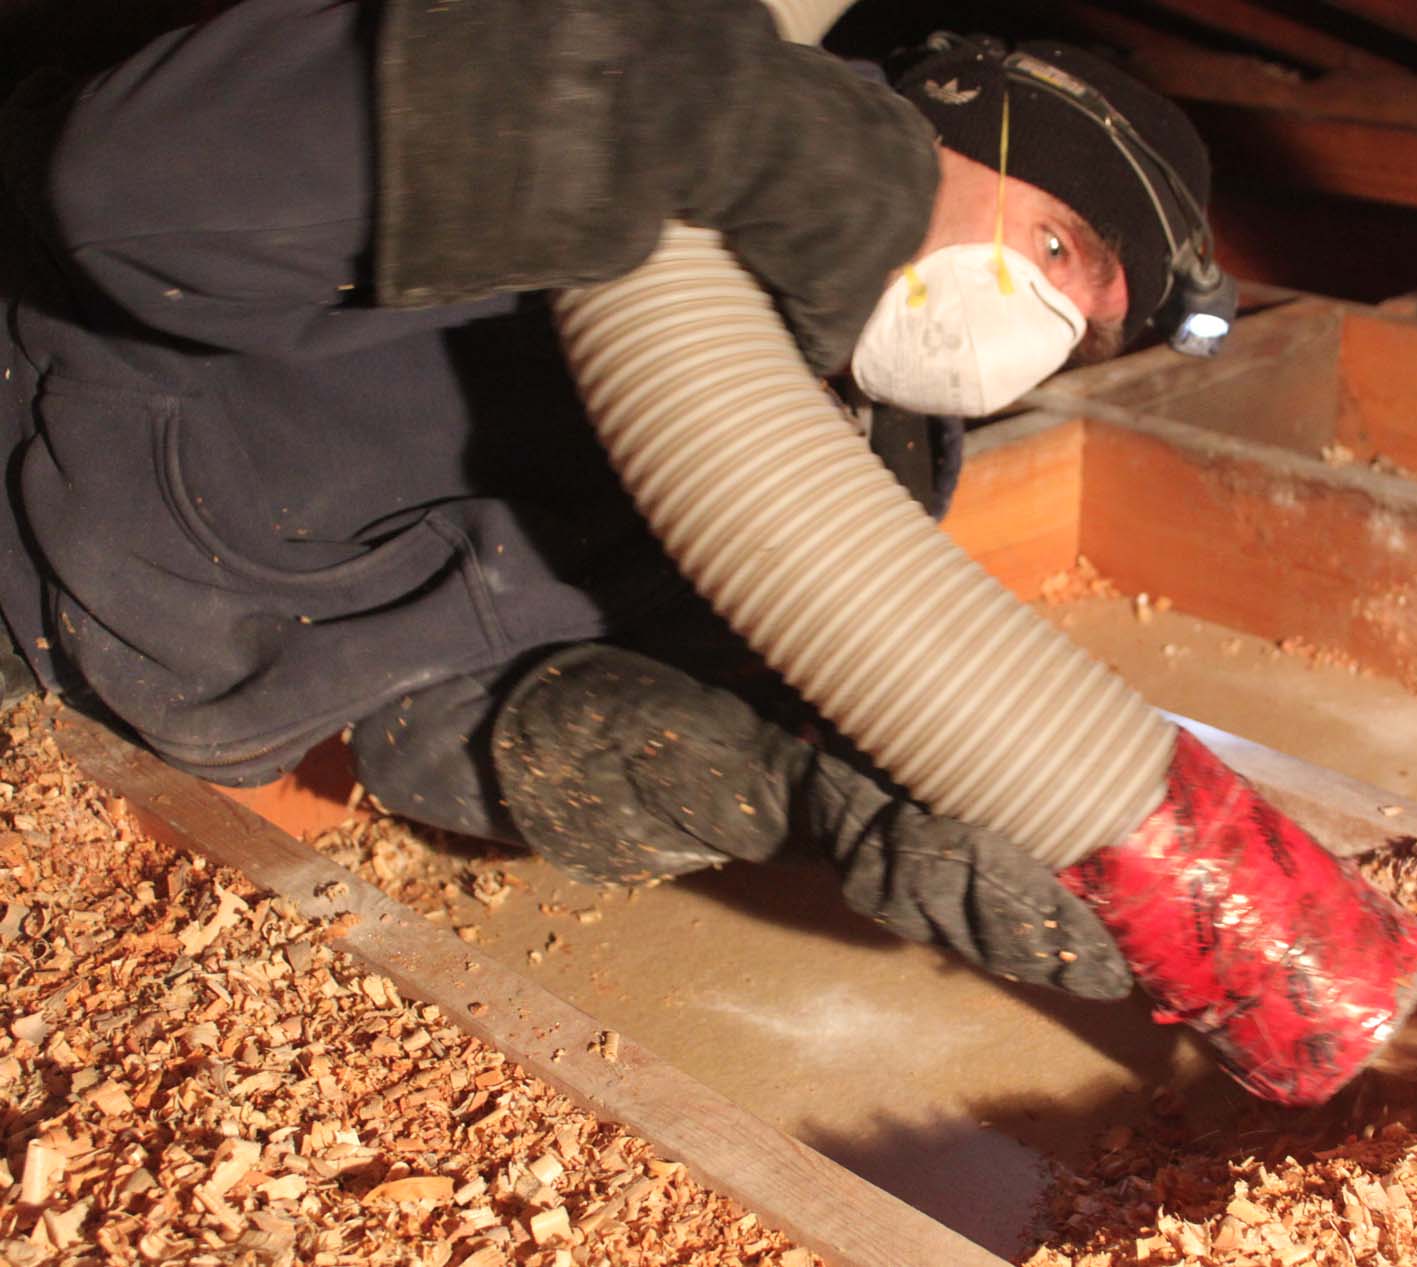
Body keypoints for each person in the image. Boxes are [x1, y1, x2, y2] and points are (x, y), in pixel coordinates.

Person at [0, 0, 1222, 1003]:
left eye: (1084, 329)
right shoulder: (633, 98)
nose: (1040, 325)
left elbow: (420, 727)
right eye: (1057, 250)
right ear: (941, 125)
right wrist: (724, 127)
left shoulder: (863, 480)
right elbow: (125, 191)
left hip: (80, 694)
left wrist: (774, 794)